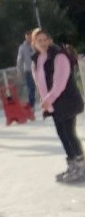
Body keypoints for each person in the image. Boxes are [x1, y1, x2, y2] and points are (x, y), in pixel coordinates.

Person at [31, 28, 85, 183]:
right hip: (53, 103)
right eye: (38, 40)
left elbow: (60, 82)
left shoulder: (59, 55)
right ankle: (72, 165)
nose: (42, 43)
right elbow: (40, 83)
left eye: (44, 39)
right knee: (62, 134)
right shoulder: (36, 59)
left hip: (66, 100)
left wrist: (49, 98)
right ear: (34, 43)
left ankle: (81, 166)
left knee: (69, 133)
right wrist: (45, 101)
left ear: (49, 40)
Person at [16, 30, 36, 109]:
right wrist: (19, 70)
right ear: (25, 37)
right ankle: (31, 106)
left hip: (38, 69)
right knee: (31, 88)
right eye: (28, 37)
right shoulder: (22, 47)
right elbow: (19, 60)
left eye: (30, 37)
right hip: (29, 71)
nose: (29, 39)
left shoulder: (36, 44)